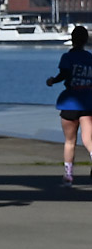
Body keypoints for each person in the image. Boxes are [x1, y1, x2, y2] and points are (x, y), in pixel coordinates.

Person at [47, 25, 92, 186]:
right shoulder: (90, 58)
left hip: (70, 102)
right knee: (88, 139)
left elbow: (64, 74)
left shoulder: (67, 57)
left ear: (72, 39)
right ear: (86, 40)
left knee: (70, 141)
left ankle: (68, 175)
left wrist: (52, 81)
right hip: (88, 101)